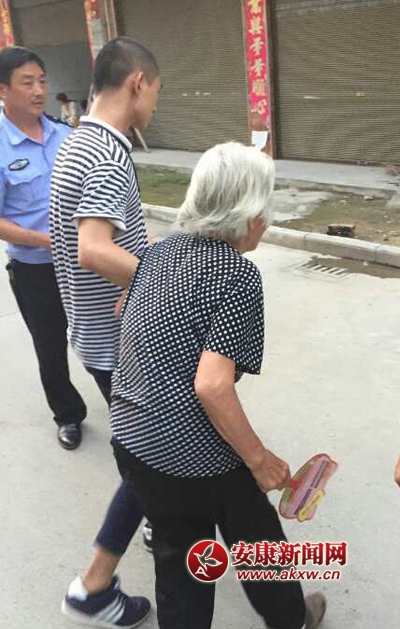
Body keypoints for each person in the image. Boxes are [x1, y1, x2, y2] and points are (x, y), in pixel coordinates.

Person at [100, 142, 326, 629]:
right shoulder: (236, 274)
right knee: (256, 533)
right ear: (246, 212)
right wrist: (260, 460)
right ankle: (292, 617)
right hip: (193, 454)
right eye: (264, 207)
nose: (266, 219)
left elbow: (124, 313)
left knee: (180, 559)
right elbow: (212, 386)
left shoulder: (157, 252)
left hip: (134, 442)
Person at [50, 37, 161, 627]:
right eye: (156, 92)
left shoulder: (76, 141)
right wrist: (162, 281)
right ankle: (93, 587)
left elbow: (96, 242)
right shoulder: (108, 155)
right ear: (137, 82)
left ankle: (159, 515)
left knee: (139, 453)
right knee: (150, 457)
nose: (155, 105)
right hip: (122, 343)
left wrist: (137, 263)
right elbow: (94, 249)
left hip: (95, 333)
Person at [0, 46, 86, 450]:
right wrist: (46, 240)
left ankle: (129, 408)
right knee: (50, 348)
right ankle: (68, 415)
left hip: (84, 260)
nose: (39, 91)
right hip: (35, 269)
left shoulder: (65, 134)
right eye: (27, 83)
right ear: (3, 90)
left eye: (42, 81)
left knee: (107, 335)